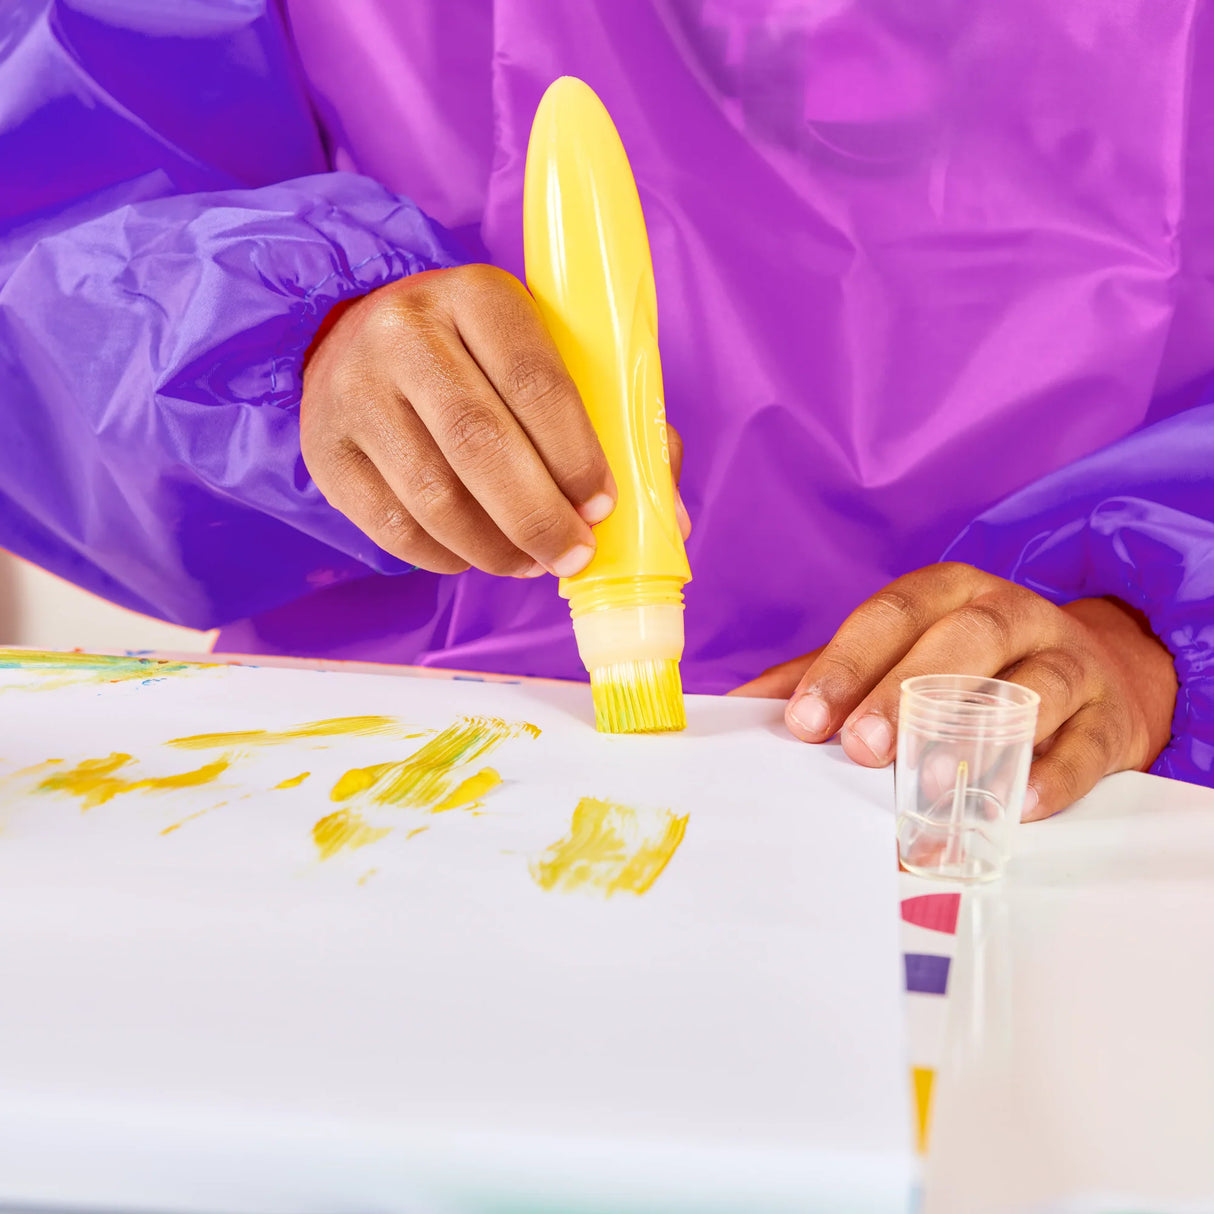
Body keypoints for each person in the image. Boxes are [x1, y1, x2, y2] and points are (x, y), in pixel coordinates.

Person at [1, 0, 1210, 818]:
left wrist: (1147, 635)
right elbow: (52, 217)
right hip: (403, 785)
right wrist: (294, 350)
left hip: (1055, 802)